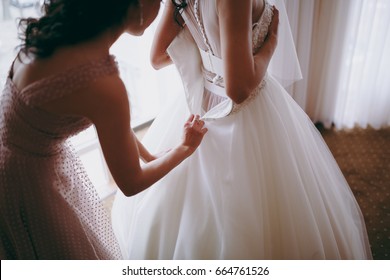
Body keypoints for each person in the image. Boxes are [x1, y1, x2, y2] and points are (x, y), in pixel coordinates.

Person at [111, 0, 373, 259]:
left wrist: (206, 58)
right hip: (244, 113)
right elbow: (239, 90)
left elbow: (158, 57)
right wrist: (270, 45)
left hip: (200, 105)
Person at [0, 0, 208, 260]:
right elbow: (132, 183)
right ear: (138, 6)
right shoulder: (102, 84)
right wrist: (184, 148)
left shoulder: (53, 34)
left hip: (12, 166)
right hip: (31, 189)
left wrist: (150, 157)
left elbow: (113, 127)